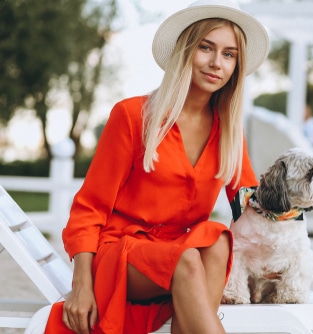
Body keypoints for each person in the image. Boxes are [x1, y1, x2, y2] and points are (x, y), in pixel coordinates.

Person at [44, 0, 269, 333]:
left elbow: (251, 206)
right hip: (123, 255)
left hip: (183, 255)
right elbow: (89, 208)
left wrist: (277, 259)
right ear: (185, 50)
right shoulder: (132, 116)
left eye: (228, 54)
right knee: (187, 257)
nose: (215, 63)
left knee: (216, 237)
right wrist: (81, 285)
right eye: (206, 48)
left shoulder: (230, 134)